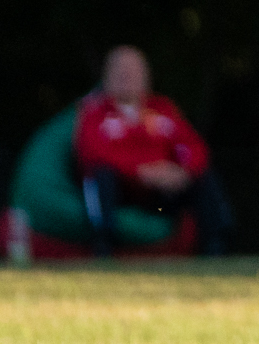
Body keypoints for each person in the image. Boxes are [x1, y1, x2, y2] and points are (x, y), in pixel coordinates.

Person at [75, 45, 232, 258]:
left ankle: (215, 248)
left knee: (204, 178)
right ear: (107, 76)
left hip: (161, 196)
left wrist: (181, 173)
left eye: (133, 70)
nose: (126, 75)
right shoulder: (94, 112)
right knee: (100, 178)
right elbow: (92, 153)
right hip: (123, 192)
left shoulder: (163, 109)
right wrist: (141, 172)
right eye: (120, 69)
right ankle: (103, 248)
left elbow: (194, 147)